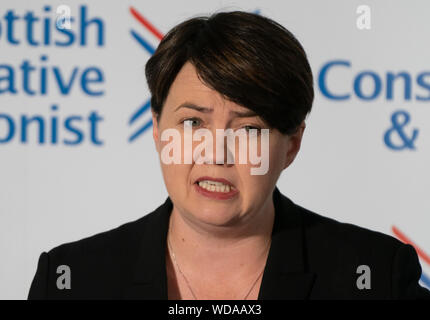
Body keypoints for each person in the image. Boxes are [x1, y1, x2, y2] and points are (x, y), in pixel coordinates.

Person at [28, 11, 430, 300]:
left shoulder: (376, 277)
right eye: (192, 124)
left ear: (292, 144)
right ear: (156, 128)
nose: (216, 153)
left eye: (249, 129)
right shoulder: (71, 280)